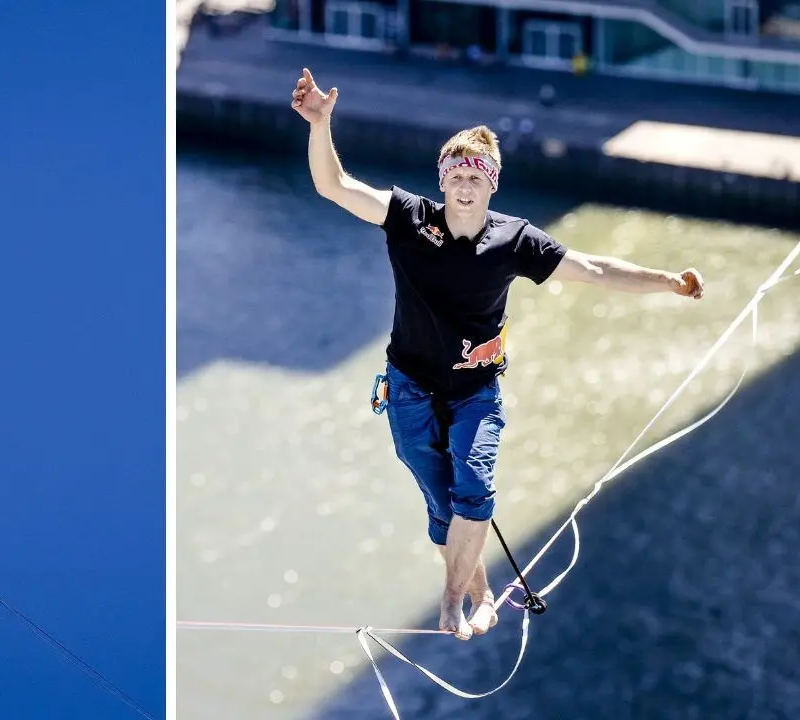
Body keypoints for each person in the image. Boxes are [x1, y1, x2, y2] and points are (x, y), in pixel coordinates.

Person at [290, 68, 704, 640]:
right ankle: (479, 593)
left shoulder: (516, 240)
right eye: (455, 174)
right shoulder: (409, 217)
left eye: (476, 176)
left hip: (475, 393)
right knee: (443, 508)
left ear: (493, 185)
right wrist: (320, 123)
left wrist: (669, 281)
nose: (464, 184)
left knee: (475, 494)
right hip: (407, 387)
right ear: (442, 180)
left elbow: (596, 269)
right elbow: (334, 186)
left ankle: (450, 602)